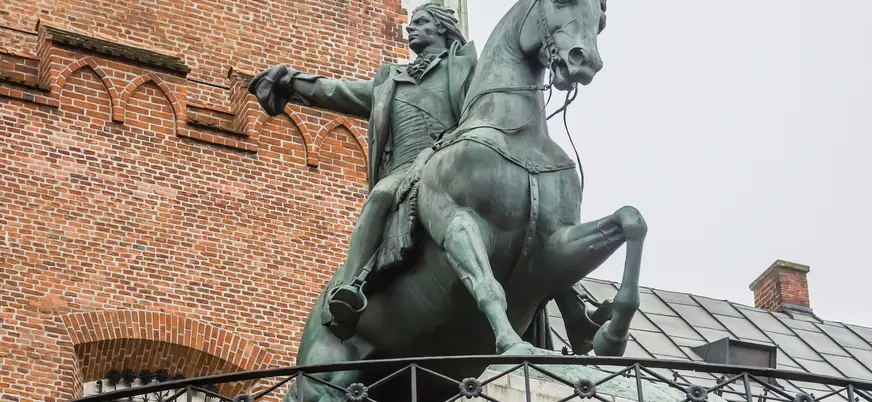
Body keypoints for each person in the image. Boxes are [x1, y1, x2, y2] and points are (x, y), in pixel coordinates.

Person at [248, 3, 477, 339]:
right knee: (381, 194)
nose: (410, 28)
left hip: (453, 160)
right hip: (405, 169)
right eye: (411, 23)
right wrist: (291, 81)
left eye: (421, 22)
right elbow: (338, 91)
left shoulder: (464, 67)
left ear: (442, 28)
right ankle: (350, 286)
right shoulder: (390, 81)